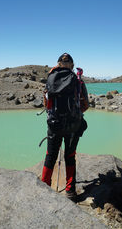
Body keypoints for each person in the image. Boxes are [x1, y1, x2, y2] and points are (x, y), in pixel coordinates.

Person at [41, 53, 89, 202]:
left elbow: (46, 104)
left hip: (54, 125)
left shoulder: (51, 79)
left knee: (51, 156)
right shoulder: (78, 82)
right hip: (73, 126)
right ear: (72, 65)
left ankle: (43, 188)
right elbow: (85, 105)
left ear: (58, 64)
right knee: (70, 156)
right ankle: (70, 191)